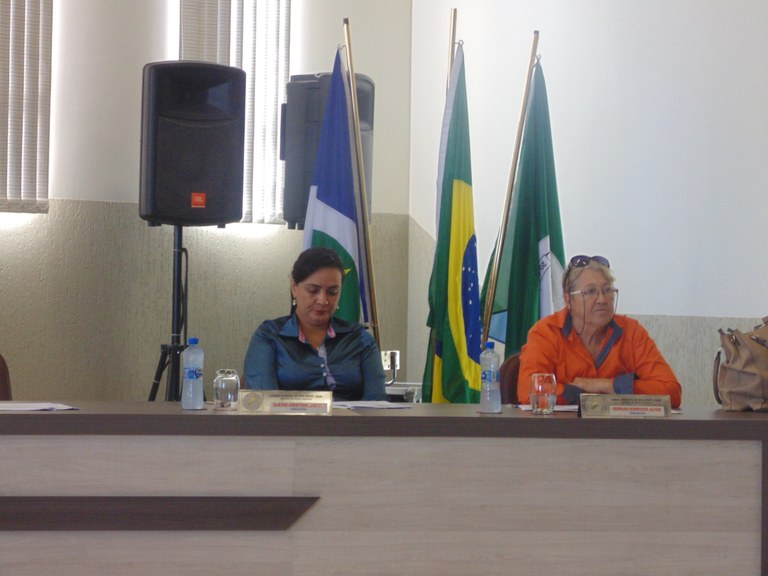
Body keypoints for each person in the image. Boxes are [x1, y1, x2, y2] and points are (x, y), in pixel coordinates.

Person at [517, 255, 682, 408]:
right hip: (563, 429)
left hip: (620, 429)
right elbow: (529, 390)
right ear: (568, 300)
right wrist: (582, 394)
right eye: (590, 292)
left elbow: (671, 392)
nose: (602, 299)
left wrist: (607, 385)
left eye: (607, 290)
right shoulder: (546, 333)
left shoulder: (631, 332)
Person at [243, 246, 387, 401]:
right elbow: (263, 402)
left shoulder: (360, 339)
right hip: (286, 417)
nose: (323, 300)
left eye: (332, 292)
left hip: (355, 418)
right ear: (294, 288)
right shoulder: (269, 335)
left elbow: (377, 403)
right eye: (313, 290)